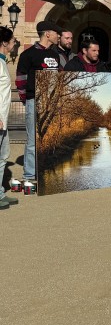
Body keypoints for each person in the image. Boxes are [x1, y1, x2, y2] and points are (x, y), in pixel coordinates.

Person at [16, 20, 62, 183]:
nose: (59, 36)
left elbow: (59, 78)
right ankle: (29, 175)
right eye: (57, 33)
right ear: (47, 34)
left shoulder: (56, 55)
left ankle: (43, 170)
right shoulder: (28, 55)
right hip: (33, 101)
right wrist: (26, 98)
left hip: (51, 104)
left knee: (48, 137)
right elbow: (21, 79)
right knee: (32, 140)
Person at [0, 27, 18, 209]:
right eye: (13, 41)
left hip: (3, 119)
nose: (14, 44)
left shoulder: (3, 62)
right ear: (4, 43)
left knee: (3, 156)